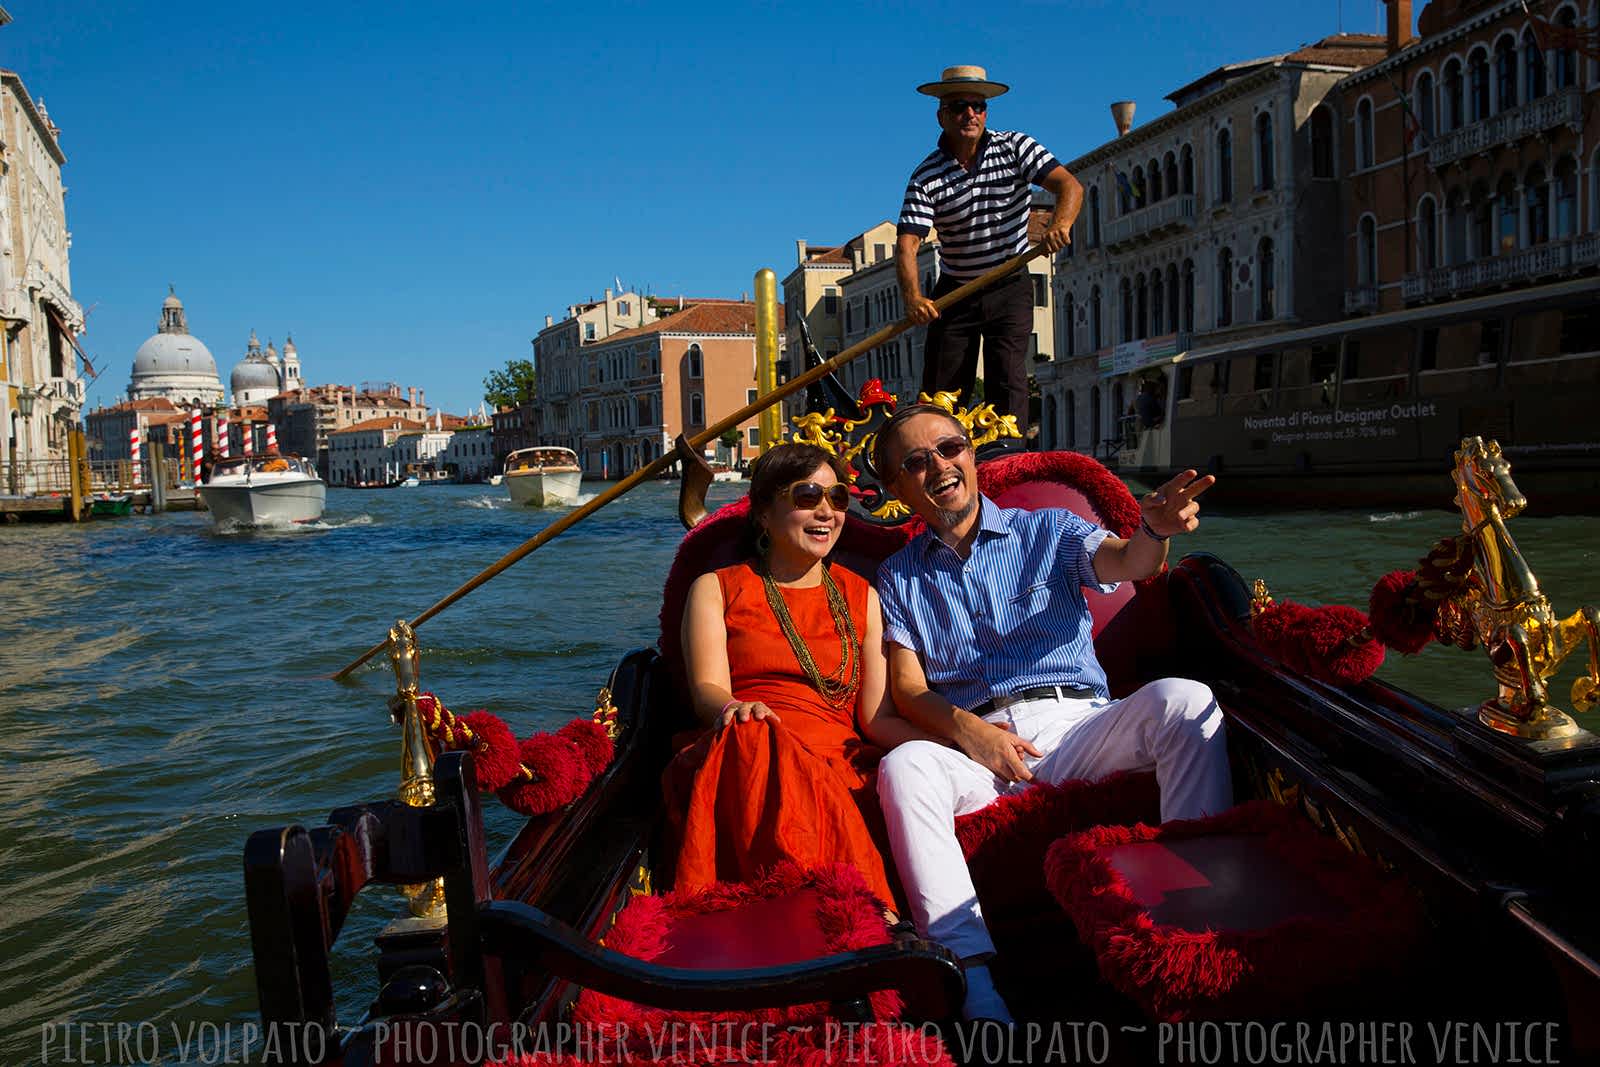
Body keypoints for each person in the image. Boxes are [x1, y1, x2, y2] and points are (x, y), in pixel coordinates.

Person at [870, 404, 1232, 1022]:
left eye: (950, 448)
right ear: (897, 489)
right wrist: (973, 735)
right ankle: (974, 986)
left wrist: (1154, 531)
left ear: (971, 456)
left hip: (1078, 726)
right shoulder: (897, 576)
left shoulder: (1049, 530)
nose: (940, 467)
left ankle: (1194, 933)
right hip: (979, 752)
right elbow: (906, 691)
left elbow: (1126, 562)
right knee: (904, 766)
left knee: (1186, 701)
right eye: (915, 462)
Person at [666, 443, 941, 908]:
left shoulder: (864, 598)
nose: (827, 512)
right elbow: (706, 691)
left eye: (837, 499)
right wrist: (736, 709)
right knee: (754, 733)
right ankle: (861, 909)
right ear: (765, 513)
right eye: (808, 495)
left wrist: (954, 744)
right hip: (745, 748)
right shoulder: (716, 587)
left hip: (836, 761)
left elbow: (876, 718)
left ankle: (846, 911)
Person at [896, 65, 1083, 426]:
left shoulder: (1016, 147)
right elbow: (908, 244)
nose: (970, 114)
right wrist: (914, 299)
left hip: (1009, 282)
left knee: (1008, 382)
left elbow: (1070, 186)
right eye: (959, 106)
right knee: (942, 391)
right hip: (955, 293)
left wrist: (1059, 225)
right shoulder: (926, 176)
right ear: (941, 116)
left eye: (978, 106)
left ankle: (1007, 465)